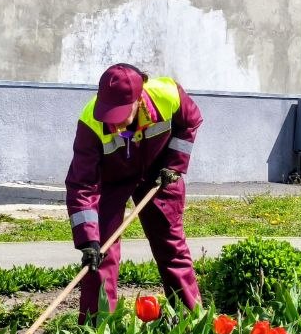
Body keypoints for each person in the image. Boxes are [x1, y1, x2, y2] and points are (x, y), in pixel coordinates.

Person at [65, 63, 203, 319]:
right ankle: (97, 330)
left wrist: (174, 164)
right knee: (101, 253)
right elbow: (82, 184)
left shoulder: (167, 95)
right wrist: (88, 240)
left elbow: (191, 121)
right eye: (108, 117)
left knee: (171, 245)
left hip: (158, 173)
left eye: (119, 118)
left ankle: (192, 321)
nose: (114, 127)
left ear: (139, 100)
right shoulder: (90, 123)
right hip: (110, 181)